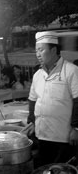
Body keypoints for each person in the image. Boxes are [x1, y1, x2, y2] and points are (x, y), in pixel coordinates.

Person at [26, 31, 78, 167]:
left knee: (62, 169)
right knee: (44, 168)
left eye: (41, 50)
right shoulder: (38, 74)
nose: (37, 54)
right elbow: (32, 100)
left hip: (63, 136)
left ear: (54, 50)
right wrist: (31, 121)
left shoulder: (71, 70)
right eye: (36, 50)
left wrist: (76, 128)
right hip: (42, 135)